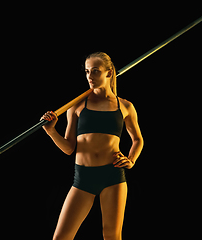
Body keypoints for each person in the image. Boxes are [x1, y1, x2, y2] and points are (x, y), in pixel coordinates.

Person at [41, 52, 144, 240]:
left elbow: (138, 139)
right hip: (83, 178)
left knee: (112, 236)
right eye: (87, 71)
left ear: (109, 73)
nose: (90, 76)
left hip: (113, 176)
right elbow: (69, 148)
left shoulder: (125, 106)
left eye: (95, 71)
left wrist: (131, 160)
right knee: (61, 237)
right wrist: (51, 131)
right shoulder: (76, 106)